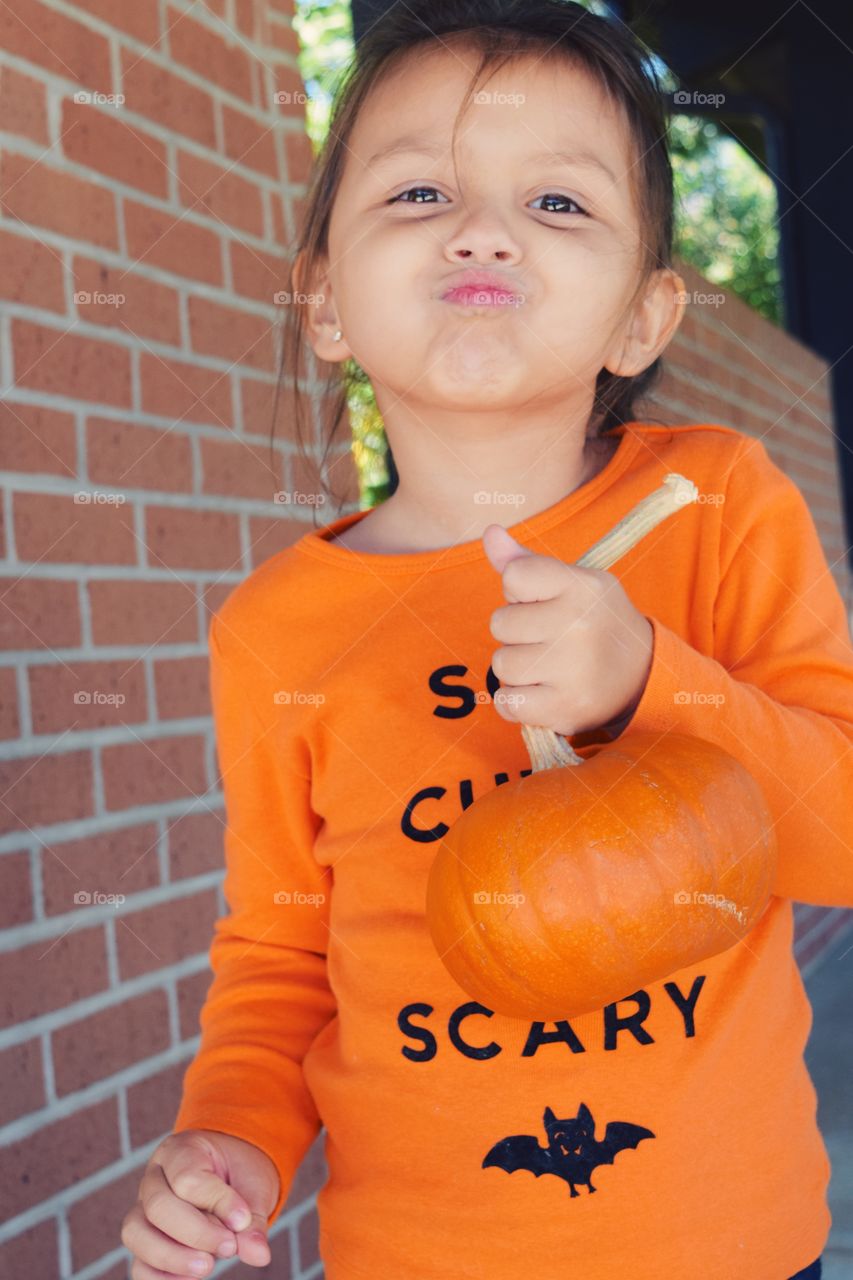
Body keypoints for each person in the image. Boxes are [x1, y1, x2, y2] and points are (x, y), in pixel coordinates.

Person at [120, 2, 852, 1276]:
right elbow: (282, 950)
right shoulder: (272, 631)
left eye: (558, 204)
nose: (481, 228)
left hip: (733, 1240)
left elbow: (840, 838)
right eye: (416, 191)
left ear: (644, 318)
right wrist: (232, 1134)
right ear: (325, 303)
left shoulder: (718, 505)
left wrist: (649, 686)